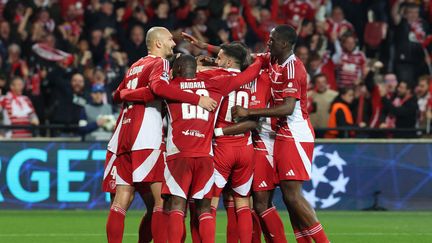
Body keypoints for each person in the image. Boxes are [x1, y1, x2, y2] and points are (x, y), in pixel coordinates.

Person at [105, 26, 217, 243]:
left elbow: (118, 94)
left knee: (121, 200)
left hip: (122, 136)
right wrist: (197, 99)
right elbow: (158, 89)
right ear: (158, 43)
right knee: (162, 203)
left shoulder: (135, 65)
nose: (174, 44)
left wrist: (130, 93)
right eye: (169, 40)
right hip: (146, 136)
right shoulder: (161, 63)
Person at [232, 25, 330, 243]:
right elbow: (241, 55)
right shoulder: (273, 59)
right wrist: (207, 48)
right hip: (283, 133)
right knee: (288, 197)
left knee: (293, 196)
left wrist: (249, 111)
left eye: (272, 40)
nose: (268, 43)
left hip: (295, 133)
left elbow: (287, 108)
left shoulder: (294, 68)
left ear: (284, 44)